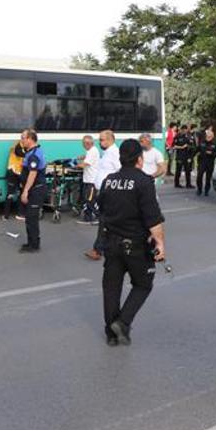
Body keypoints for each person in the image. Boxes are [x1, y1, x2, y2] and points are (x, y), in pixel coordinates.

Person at [97, 139, 166, 346]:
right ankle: (123, 322)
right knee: (143, 284)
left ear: (121, 158)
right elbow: (153, 219)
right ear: (139, 159)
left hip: (111, 243)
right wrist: (161, 244)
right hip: (135, 245)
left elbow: (101, 208)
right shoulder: (144, 181)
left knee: (111, 288)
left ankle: (111, 335)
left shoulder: (109, 180)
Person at [85, 130, 121, 261]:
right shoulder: (106, 153)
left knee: (104, 221)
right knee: (106, 222)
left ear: (110, 139)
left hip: (110, 192)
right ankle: (108, 247)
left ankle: (98, 249)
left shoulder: (114, 153)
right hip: (103, 192)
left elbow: (120, 171)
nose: (99, 142)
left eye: (102, 140)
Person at [19, 129, 47, 253]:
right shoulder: (31, 152)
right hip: (33, 189)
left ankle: (34, 245)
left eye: (23, 138)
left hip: (36, 190)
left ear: (30, 139)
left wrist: (25, 191)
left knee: (32, 218)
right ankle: (31, 242)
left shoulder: (34, 154)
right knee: (29, 218)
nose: (21, 140)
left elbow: (32, 174)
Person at [76, 135, 99, 225]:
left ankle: (97, 217)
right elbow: (87, 158)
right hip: (88, 180)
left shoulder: (92, 151)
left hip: (91, 180)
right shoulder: (91, 151)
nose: (83, 145)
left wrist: (75, 165)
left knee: (90, 200)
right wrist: (82, 157)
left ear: (88, 143)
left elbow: (85, 164)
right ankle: (87, 217)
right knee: (88, 199)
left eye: (84, 143)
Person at [3, 138, 26, 220]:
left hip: (19, 173)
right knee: (10, 194)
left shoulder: (23, 146)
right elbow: (19, 153)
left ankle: (20, 214)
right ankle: (6, 215)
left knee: (21, 192)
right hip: (13, 172)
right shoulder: (17, 146)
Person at [196, 130, 216, 196]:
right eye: (207, 136)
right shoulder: (202, 143)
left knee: (208, 178)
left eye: (209, 136)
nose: (208, 137)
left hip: (210, 163)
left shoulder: (214, 144)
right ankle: (199, 189)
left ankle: (206, 190)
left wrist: (211, 153)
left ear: (212, 137)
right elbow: (196, 150)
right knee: (199, 176)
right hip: (202, 162)